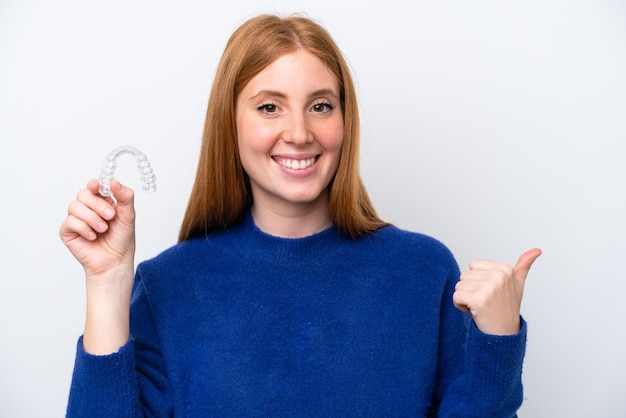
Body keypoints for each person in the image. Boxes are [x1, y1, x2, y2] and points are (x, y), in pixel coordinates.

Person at [60, 13, 541, 417]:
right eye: (270, 107)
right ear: (230, 123)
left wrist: (497, 340)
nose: (299, 132)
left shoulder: (422, 271)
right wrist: (106, 285)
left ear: (345, 121)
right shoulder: (169, 284)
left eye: (320, 106)